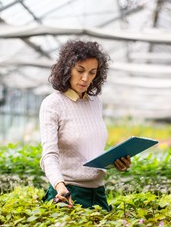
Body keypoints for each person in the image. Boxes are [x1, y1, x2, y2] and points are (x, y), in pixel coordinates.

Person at [39, 39, 131, 211]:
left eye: (92, 72)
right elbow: (49, 155)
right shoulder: (52, 104)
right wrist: (60, 187)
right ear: (67, 69)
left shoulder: (95, 102)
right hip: (68, 193)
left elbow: (90, 149)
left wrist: (117, 162)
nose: (85, 78)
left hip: (99, 193)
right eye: (80, 70)